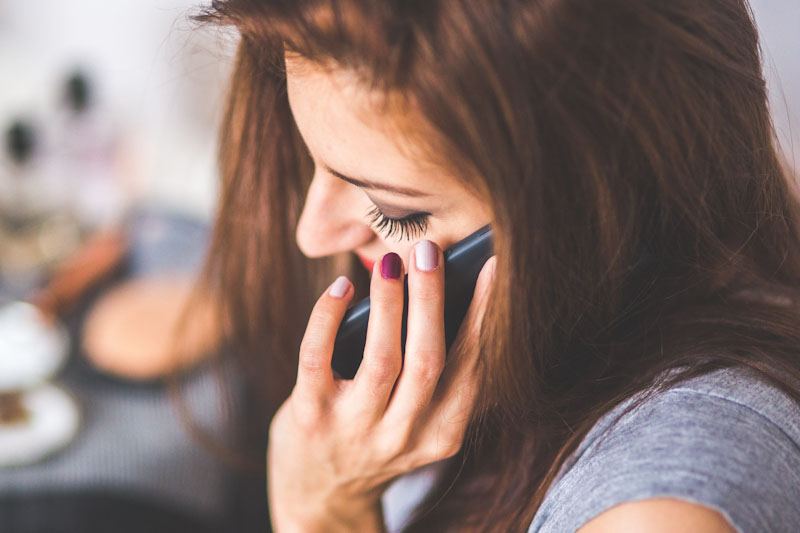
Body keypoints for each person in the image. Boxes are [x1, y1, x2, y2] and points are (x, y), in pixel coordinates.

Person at [193, 0, 800, 531]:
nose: (310, 233)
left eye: (394, 212)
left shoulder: (660, 517)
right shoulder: (536, 357)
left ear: (601, 214)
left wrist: (322, 514)